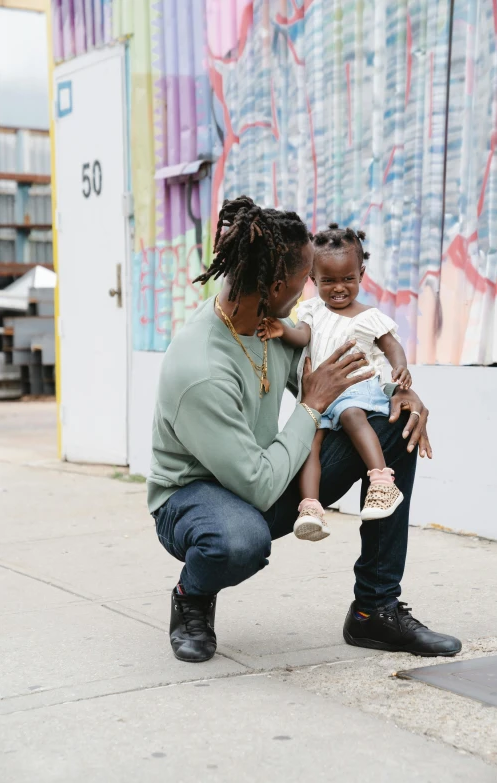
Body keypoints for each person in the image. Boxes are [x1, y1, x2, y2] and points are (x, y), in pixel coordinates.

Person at [148, 195, 462, 663]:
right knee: (238, 540)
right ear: (276, 286)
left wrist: (397, 391)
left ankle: (374, 609)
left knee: (393, 426)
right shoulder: (201, 369)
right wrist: (312, 404)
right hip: (194, 498)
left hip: (259, 473)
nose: (306, 297)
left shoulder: (273, 326)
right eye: (302, 283)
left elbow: (335, 380)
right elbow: (258, 483)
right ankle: (192, 594)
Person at [257, 223, 412, 543]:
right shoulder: (312, 309)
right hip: (319, 396)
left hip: (355, 390)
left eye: (348, 279)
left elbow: (391, 345)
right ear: (313, 278)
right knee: (309, 446)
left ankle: (381, 481)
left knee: (352, 415)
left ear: (361, 274)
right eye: (328, 280)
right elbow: (302, 336)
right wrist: (281, 330)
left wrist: (401, 369)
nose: (338, 288)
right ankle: (310, 507)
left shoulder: (368, 317)